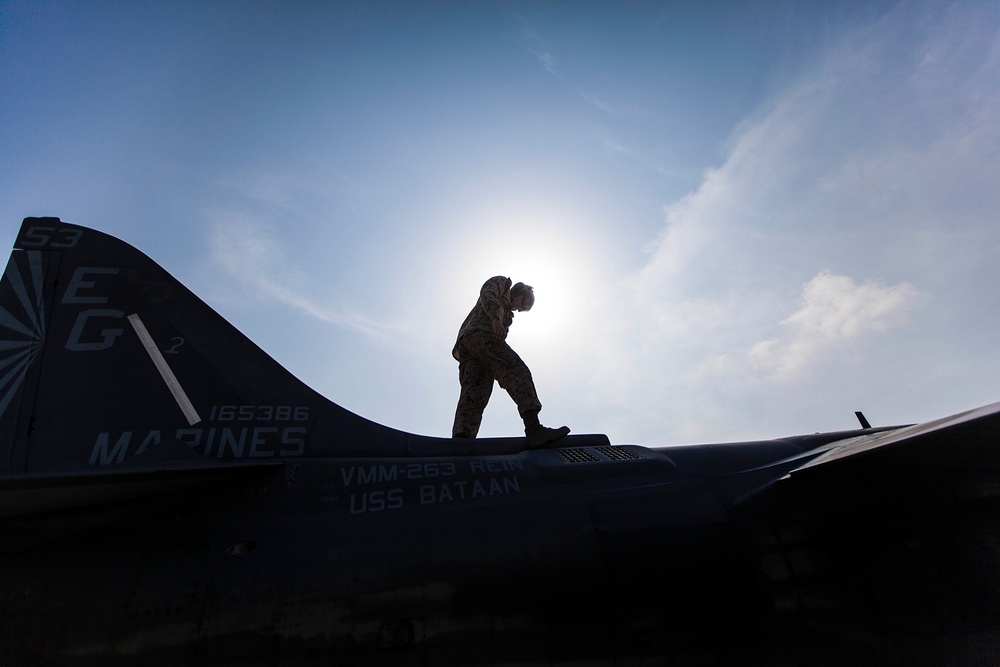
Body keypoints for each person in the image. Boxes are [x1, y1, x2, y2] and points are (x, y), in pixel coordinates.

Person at [451, 276, 570, 448]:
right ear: (519, 291)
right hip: (479, 334)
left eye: (525, 309)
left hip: (469, 347)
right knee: (517, 370)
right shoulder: (502, 284)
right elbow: (487, 294)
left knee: (476, 391)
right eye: (525, 304)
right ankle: (534, 429)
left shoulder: (506, 315)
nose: (521, 309)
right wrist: (495, 319)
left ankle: (462, 440)